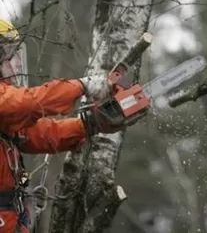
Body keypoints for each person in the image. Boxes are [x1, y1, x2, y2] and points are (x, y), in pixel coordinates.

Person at [0, 19, 119, 233]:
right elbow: (28, 103)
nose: (17, 63)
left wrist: (88, 125)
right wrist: (81, 86)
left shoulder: (7, 120)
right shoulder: (7, 104)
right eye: (10, 55)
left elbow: (45, 133)